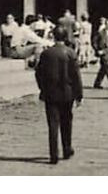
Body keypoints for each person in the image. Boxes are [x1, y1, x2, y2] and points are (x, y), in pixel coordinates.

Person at [34, 17, 83, 164]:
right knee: (67, 122)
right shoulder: (71, 53)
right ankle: (67, 148)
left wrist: (43, 88)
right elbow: (76, 76)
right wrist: (79, 94)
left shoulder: (46, 53)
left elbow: (38, 73)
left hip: (50, 94)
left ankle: (53, 154)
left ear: (53, 36)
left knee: (53, 124)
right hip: (67, 94)